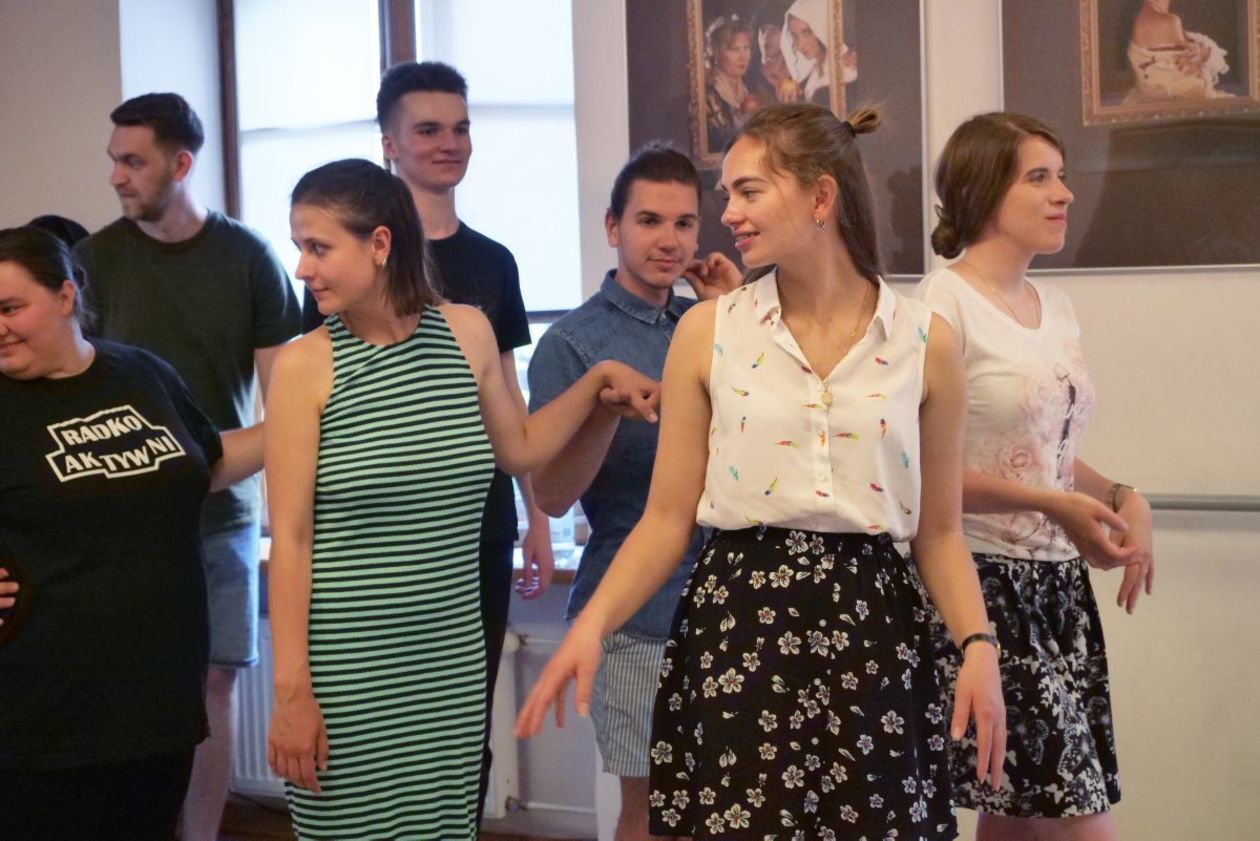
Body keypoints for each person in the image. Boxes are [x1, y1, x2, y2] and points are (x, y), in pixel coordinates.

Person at [518, 103, 1006, 839]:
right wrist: (592, 625)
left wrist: (978, 644)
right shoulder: (707, 331)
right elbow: (665, 519)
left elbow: (939, 532)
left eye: (749, 191)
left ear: (820, 196)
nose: (728, 214)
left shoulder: (924, 340)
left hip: (874, 628)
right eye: (728, 195)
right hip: (740, 625)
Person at [264, 159, 659, 840]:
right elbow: (292, 539)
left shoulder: (467, 332)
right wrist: (292, 691)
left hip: (449, 660)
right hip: (347, 670)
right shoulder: (304, 367)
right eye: (300, 247)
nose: (303, 268)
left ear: (379, 244)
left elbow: (522, 448)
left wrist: (597, 385)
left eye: (318, 247)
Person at [71, 92, 302, 841]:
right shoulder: (93, 262)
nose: (117, 176)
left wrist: (286, 511)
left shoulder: (250, 257)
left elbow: (287, 400)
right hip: (119, 522)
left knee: (214, 683)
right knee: (127, 690)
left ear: (180, 164)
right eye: (114, 160)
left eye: (132, 161)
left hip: (222, 512)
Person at [920, 112, 1155, 840]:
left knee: (1015, 818)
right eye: (1039, 177)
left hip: (1057, 590)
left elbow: (1045, 450)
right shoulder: (940, 306)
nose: (1065, 194)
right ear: (985, 189)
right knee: (1079, 818)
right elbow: (920, 471)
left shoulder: (1055, 306)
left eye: (1062, 176)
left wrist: (1120, 495)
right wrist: (1053, 505)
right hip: (982, 583)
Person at [0, 226, 264, 841]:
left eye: (11, 308)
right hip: (46, 715)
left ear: (66, 295)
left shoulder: (141, 372)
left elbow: (206, 462)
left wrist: (305, 418)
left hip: (158, 700)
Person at [527, 143, 738, 840]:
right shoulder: (573, 343)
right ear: (613, 227)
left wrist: (733, 307)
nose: (668, 240)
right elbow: (552, 494)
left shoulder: (709, 324)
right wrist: (602, 408)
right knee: (651, 813)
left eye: (684, 223)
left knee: (729, 809)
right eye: (649, 221)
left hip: (730, 607)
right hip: (637, 611)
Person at [375, 61, 555, 820]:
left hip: (480, 517)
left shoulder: (493, 261)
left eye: (460, 128)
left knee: (466, 712)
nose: (449, 143)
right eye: (428, 130)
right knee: (391, 717)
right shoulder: (359, 258)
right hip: (385, 522)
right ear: (389, 144)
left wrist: (538, 515)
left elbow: (509, 394)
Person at [1125, 0, 1233, 103]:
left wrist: (1203, 53)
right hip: (1189, 106)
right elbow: (1187, 87)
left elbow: (1214, 60)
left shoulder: (1159, 18)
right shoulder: (1167, 22)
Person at [781, 0, 857, 108]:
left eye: (806, 33)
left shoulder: (846, 66)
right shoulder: (810, 71)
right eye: (794, 36)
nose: (799, 44)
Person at [704, 17, 762, 151]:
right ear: (716, 52)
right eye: (735, 49)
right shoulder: (707, 96)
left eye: (746, 48)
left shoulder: (755, 88)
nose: (743, 57)